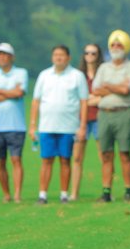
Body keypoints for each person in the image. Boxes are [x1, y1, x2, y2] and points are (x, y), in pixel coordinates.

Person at [30, 45, 89, 205]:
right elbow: (36, 101)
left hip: (69, 126)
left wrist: (82, 125)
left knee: (65, 160)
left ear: (68, 58)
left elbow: (84, 102)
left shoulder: (77, 76)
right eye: (56, 55)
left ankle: (64, 194)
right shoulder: (44, 75)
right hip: (47, 125)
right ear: (52, 57)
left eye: (62, 55)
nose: (58, 58)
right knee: (46, 160)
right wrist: (33, 125)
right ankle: (43, 194)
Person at [94, 30, 130, 202]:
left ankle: (128, 190)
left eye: (119, 45)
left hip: (123, 113)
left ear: (126, 47)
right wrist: (116, 86)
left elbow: (126, 90)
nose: (115, 48)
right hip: (104, 114)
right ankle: (106, 191)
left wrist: (108, 86)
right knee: (106, 154)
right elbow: (95, 89)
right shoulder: (103, 67)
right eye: (113, 45)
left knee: (124, 153)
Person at [0, 42, 28, 203]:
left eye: (5, 54)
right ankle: (6, 194)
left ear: (12, 57)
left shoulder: (21, 73)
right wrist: (10, 93)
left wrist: (0, 91)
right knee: (0, 161)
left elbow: (20, 93)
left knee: (16, 159)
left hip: (16, 125)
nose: (2, 57)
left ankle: (17, 194)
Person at [71, 42, 102, 200]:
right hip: (81, 119)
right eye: (87, 53)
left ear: (98, 55)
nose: (90, 56)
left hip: (100, 118)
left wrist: (88, 99)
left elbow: (105, 96)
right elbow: (75, 99)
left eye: (93, 53)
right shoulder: (77, 75)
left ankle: (106, 191)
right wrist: (91, 99)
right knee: (77, 157)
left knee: (104, 156)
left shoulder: (103, 73)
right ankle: (74, 193)